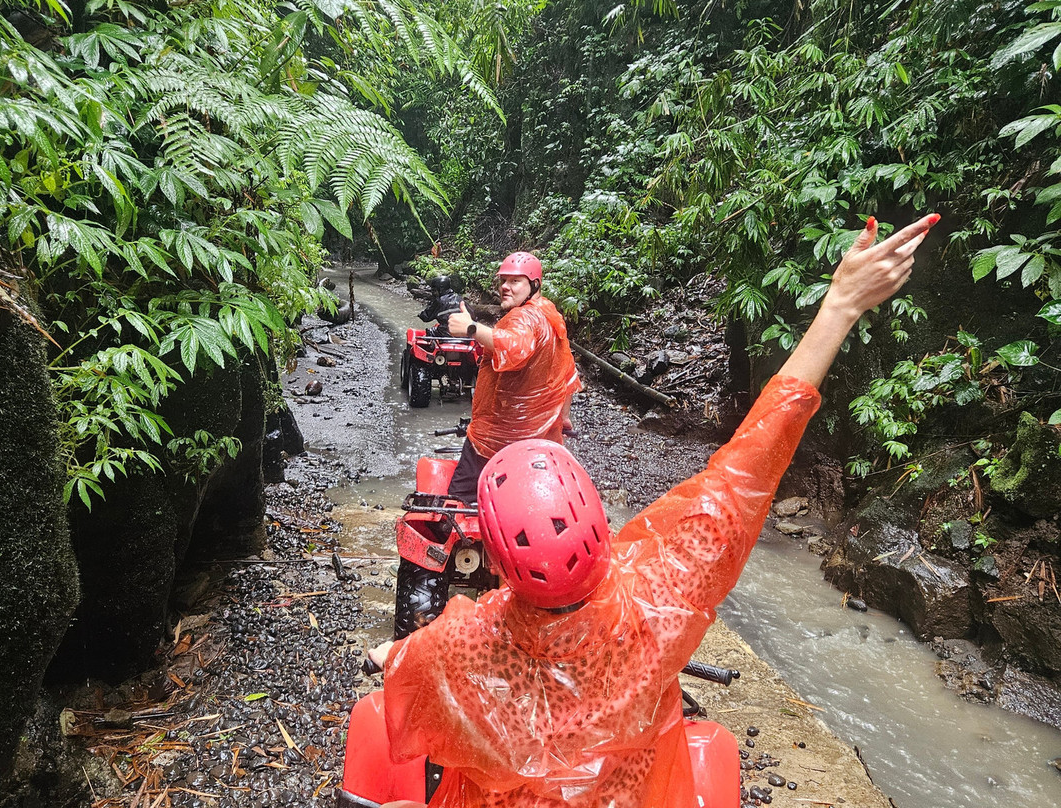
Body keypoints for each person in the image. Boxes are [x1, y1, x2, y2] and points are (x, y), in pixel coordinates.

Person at [372, 213, 939, 808]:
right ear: (595, 520)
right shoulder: (657, 599)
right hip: (517, 436)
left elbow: (404, 667)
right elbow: (749, 462)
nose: (508, 286)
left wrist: (394, 656)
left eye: (514, 280)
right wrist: (841, 304)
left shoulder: (462, 645)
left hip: (501, 443)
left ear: (500, 563)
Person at [443, 251, 581, 504]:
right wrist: (563, 418)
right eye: (503, 280)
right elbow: (568, 373)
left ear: (534, 285)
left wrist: (471, 328)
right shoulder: (549, 313)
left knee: (458, 502)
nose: (505, 287)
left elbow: (515, 346)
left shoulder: (523, 317)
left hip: (498, 438)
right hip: (542, 440)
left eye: (515, 281)